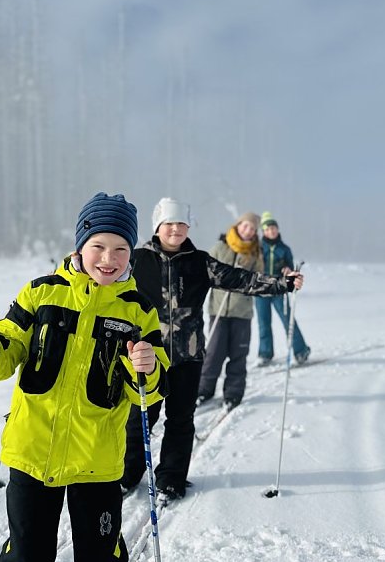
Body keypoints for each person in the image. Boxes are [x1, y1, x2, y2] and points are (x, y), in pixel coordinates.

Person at [0, 192, 169, 562]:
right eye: (99, 245)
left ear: (131, 253)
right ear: (80, 244)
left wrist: (144, 368)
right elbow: (7, 350)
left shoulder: (140, 311)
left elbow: (151, 389)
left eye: (120, 249)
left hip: (96, 464)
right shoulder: (40, 293)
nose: (109, 259)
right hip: (32, 455)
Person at [121, 198, 302, 503]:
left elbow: (242, 280)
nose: (175, 230)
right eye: (169, 224)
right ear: (158, 227)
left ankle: (171, 479)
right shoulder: (135, 261)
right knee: (139, 419)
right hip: (147, 358)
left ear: (188, 227)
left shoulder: (200, 262)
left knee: (181, 420)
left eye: (181, 224)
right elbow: (102, 273)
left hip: (188, 358)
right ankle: (127, 475)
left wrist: (282, 284)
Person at [197, 212, 267, 411]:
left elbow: (259, 280)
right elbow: (205, 273)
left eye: (253, 229)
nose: (248, 231)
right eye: (246, 226)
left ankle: (233, 393)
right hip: (218, 310)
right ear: (238, 225)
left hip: (242, 313)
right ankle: (204, 389)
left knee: (238, 355)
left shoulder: (254, 254)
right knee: (213, 354)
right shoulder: (220, 247)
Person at [255, 210, 310, 366]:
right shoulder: (258, 247)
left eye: (273, 228)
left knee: (288, 320)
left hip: (280, 289)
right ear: (263, 232)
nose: (270, 231)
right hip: (261, 289)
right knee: (263, 322)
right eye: (267, 229)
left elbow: (291, 268)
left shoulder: (284, 249)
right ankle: (265, 353)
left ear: (277, 229)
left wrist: (287, 270)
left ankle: (301, 351)